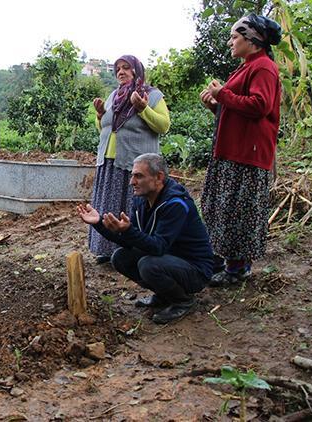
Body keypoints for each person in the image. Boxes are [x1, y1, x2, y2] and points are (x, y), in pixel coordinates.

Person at [77, 154, 215, 324]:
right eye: (132, 175)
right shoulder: (142, 200)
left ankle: (182, 301)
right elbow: (132, 241)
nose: (132, 182)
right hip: (170, 260)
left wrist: (128, 231)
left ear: (159, 178)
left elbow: (158, 247)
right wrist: (99, 223)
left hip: (195, 270)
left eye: (138, 176)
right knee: (120, 257)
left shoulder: (176, 204)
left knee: (148, 265)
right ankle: (164, 295)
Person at [199, 14, 282, 286]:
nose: (230, 42)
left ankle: (237, 268)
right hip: (233, 151)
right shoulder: (247, 67)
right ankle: (224, 262)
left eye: (235, 37)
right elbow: (238, 110)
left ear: (253, 40)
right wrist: (216, 105)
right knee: (226, 208)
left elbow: (260, 105)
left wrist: (222, 94)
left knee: (238, 211)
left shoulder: (263, 68)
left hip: (247, 154)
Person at [88, 55, 170, 264]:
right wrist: (99, 116)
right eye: (118, 69)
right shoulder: (113, 96)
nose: (121, 72)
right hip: (108, 162)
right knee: (108, 205)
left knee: (130, 208)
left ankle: (130, 250)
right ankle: (106, 250)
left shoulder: (152, 96)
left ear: (137, 71)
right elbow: (105, 129)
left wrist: (143, 109)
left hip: (135, 163)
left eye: (126, 68)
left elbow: (163, 126)